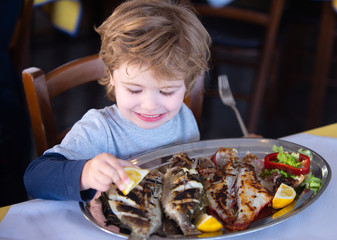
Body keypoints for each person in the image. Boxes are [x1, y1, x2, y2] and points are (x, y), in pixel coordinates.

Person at [23, 0, 211, 202]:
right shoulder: (100, 130)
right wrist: (84, 173)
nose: (149, 105)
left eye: (167, 92)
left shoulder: (184, 117)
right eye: (134, 89)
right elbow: (35, 178)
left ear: (187, 85)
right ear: (111, 75)